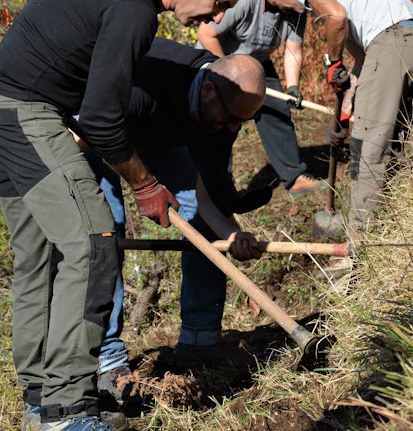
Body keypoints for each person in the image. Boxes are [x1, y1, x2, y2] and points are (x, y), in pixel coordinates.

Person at [0, 0, 252, 431]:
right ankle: (68, 410)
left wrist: (42, 47)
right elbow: (100, 120)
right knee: (93, 243)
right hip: (23, 112)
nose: (214, 20)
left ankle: (40, 396)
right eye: (219, 2)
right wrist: (144, 185)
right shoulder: (134, 7)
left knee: (41, 253)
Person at [79, 38, 270, 408]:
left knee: (206, 225)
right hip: (94, 126)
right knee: (105, 229)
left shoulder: (224, 108)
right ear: (209, 90)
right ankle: (107, 359)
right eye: (230, 119)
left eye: (240, 123)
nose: (232, 128)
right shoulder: (148, 81)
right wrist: (142, 184)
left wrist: (233, 235)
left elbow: (205, 195)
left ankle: (200, 339)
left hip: (158, 131)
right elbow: (87, 129)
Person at [257, 0, 413, 235]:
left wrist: (333, 61)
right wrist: (344, 117)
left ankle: (360, 251)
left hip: (393, 44)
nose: (279, 10)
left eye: (273, 4)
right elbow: (364, 64)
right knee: (392, 145)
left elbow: (336, 16)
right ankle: (390, 231)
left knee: (368, 151)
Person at [196, 0, 327, 198]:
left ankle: (294, 177)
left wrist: (293, 87)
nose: (302, 3)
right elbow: (206, 34)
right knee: (222, 122)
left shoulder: (297, 11)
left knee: (277, 110)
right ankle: (218, 187)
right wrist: (227, 71)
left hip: (257, 63)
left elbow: (293, 49)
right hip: (219, 59)